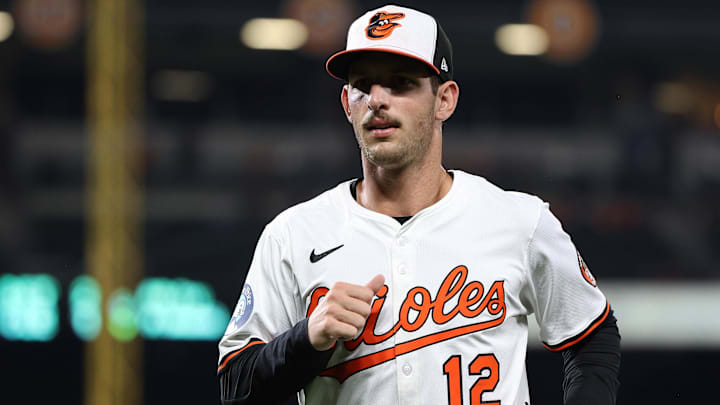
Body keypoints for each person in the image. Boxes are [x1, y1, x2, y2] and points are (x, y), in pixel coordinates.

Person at [218, 5, 620, 405]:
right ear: (346, 103)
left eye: (400, 83)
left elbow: (593, 336)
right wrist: (306, 338)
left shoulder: (519, 221)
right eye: (363, 85)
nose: (377, 99)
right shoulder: (293, 234)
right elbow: (235, 386)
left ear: (444, 100)